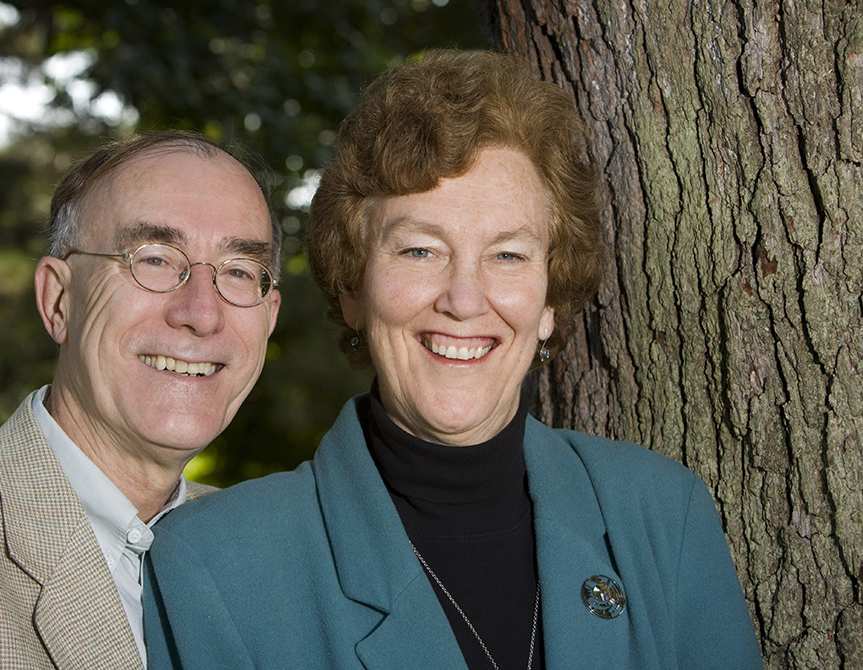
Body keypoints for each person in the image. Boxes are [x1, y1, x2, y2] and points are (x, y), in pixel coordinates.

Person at [143, 51, 762, 669]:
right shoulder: (214, 563)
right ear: (354, 288)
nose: (464, 300)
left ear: (550, 298)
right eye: (419, 251)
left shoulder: (663, 514)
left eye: (509, 256)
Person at [0, 130, 282, 669]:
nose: (202, 313)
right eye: (153, 259)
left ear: (268, 319)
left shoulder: (274, 561)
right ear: (59, 300)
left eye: (240, 271)